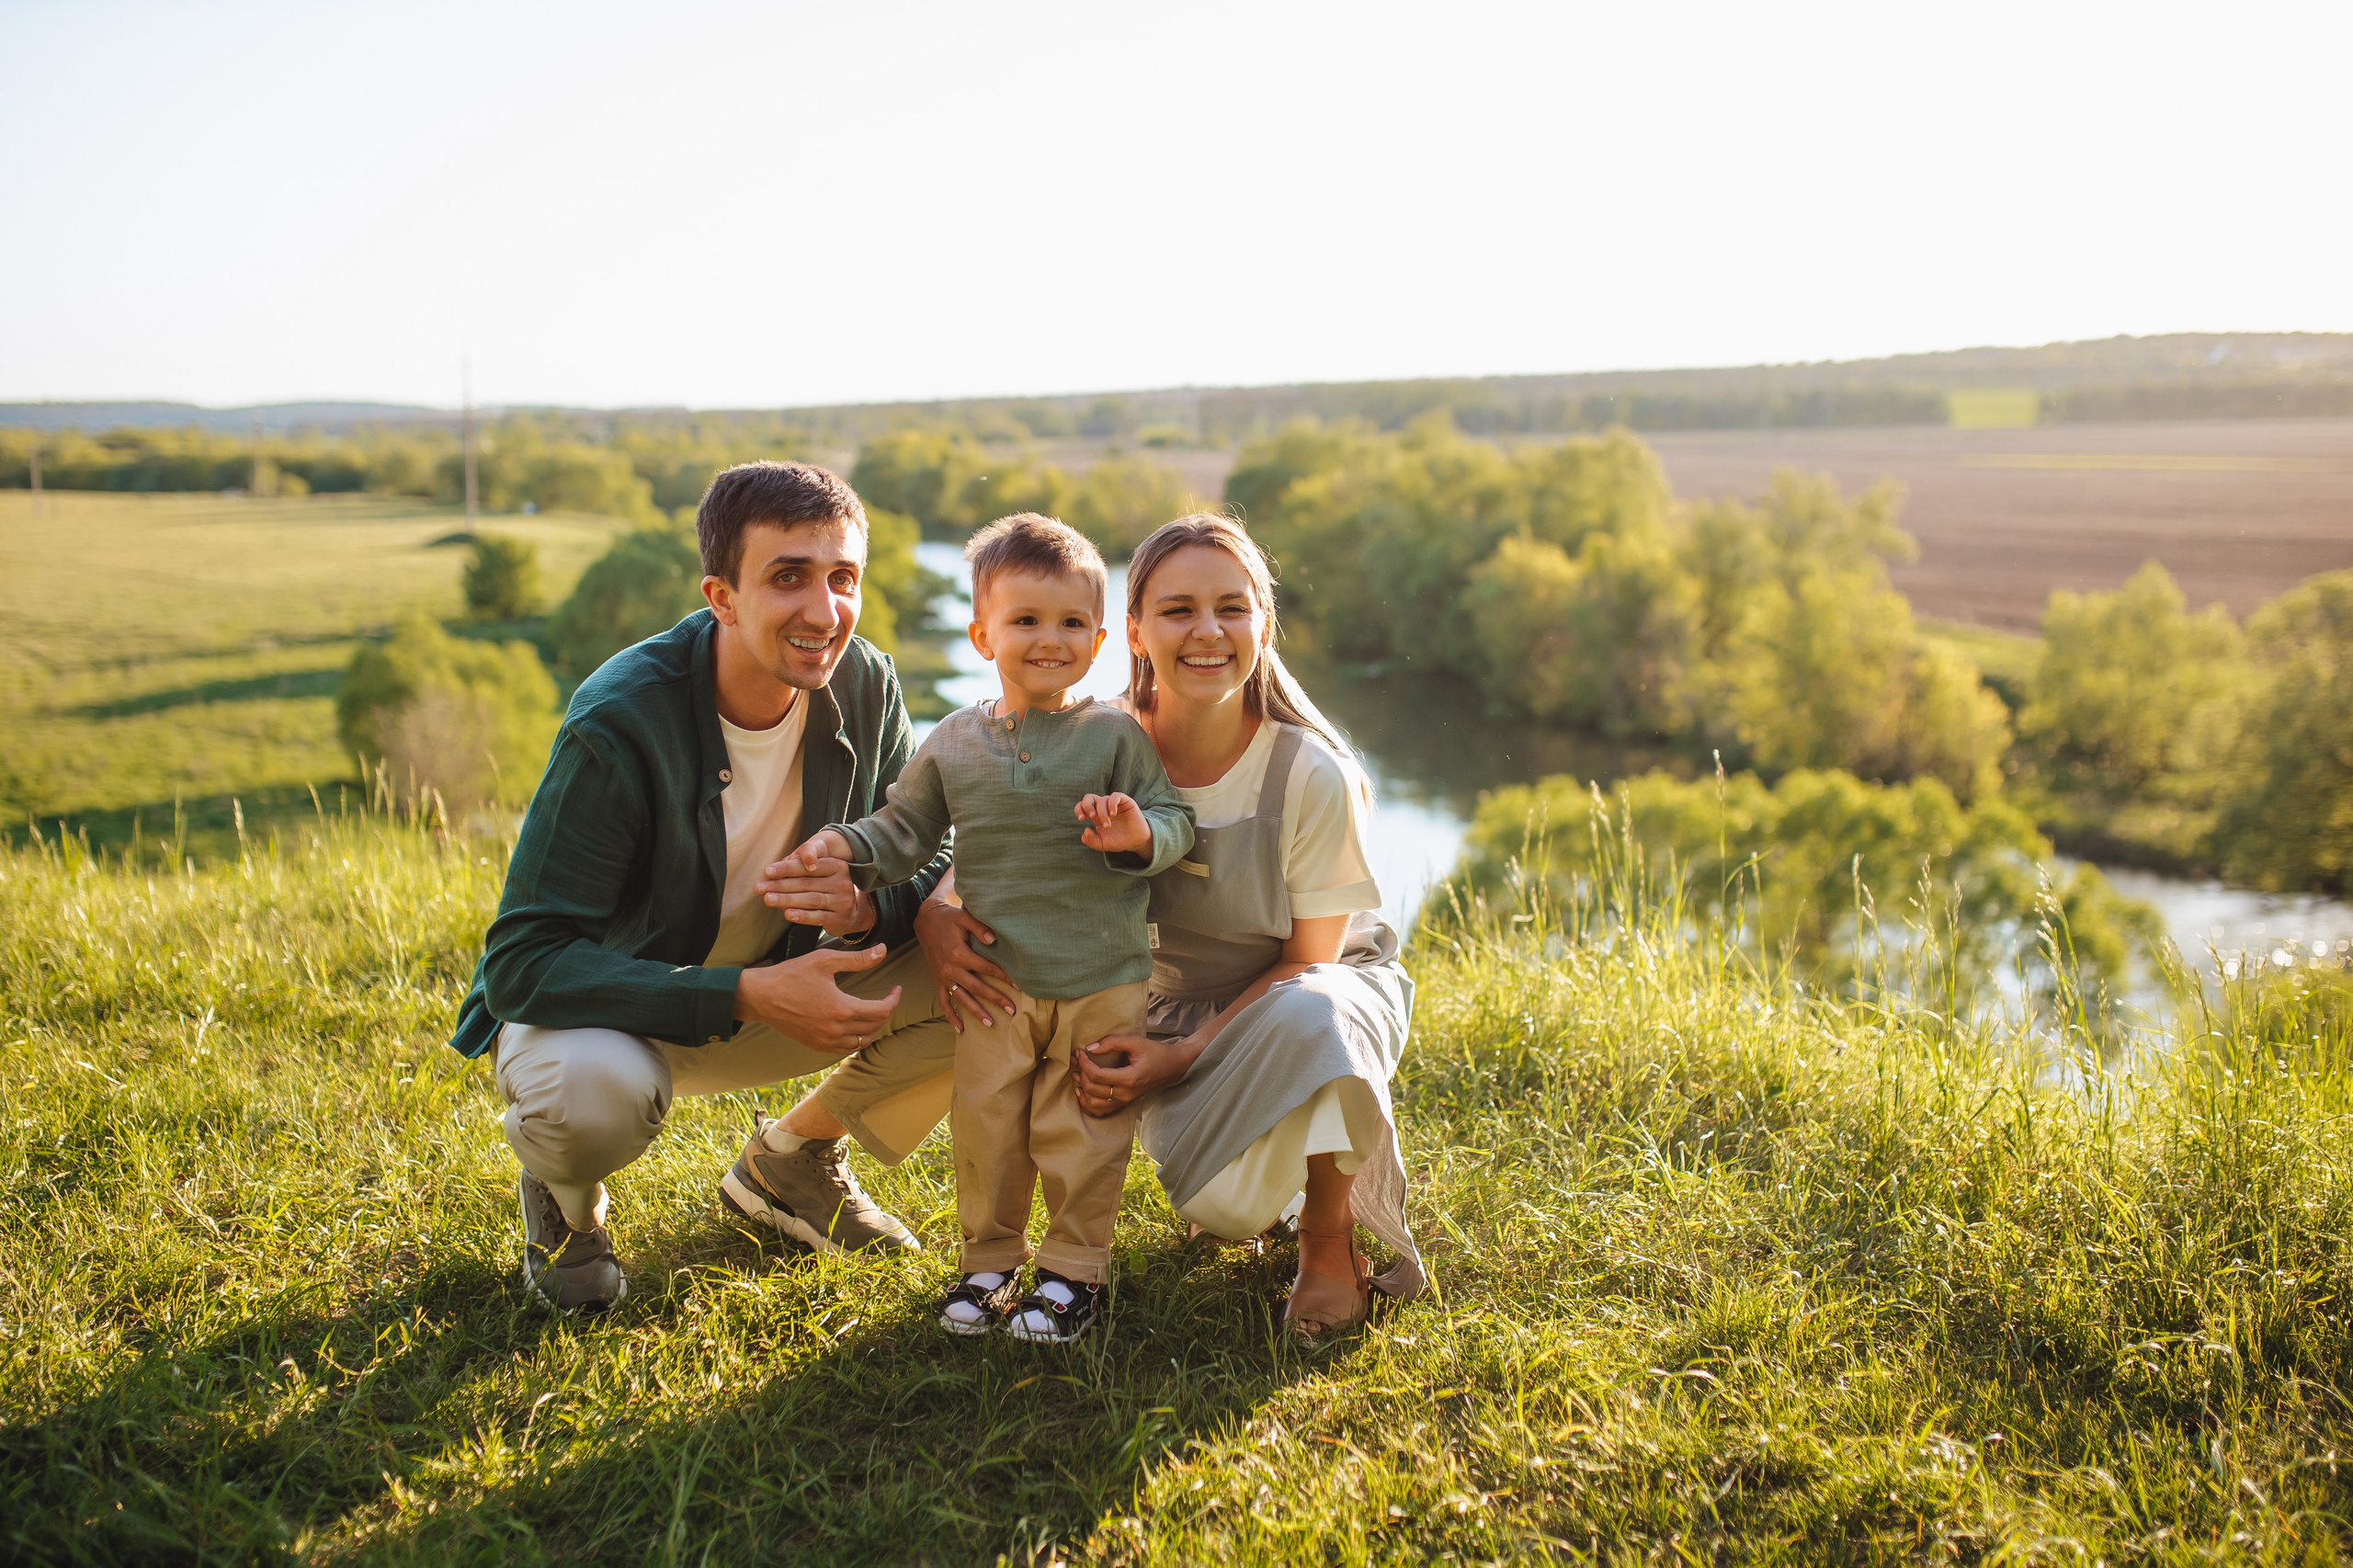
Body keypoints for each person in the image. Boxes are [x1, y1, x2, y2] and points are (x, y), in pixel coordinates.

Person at [449, 460, 962, 1312]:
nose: (824, 610)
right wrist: (745, 995)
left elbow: (932, 849)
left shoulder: (866, 682)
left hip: (782, 990)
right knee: (589, 1102)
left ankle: (792, 1159)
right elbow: (520, 965)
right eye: (788, 577)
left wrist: (877, 902)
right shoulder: (622, 717)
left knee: (1003, 949)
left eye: (843, 578)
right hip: (618, 1018)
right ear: (720, 596)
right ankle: (568, 1209)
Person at [922, 513, 1426, 1340]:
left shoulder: (1310, 773)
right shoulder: (1094, 741)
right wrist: (937, 910)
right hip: (1168, 1007)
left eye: (1233, 607)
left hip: (1309, 993)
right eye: (1179, 609)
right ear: (1135, 632)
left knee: (1316, 1016)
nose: (1208, 631)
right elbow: (1002, 848)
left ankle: (1328, 1239)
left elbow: (1309, 962)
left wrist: (1183, 1058)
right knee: (1221, 1207)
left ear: (1264, 625)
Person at [795, 515, 1194, 1342]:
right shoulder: (955, 743)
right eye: (1026, 621)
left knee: (1082, 1126)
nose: (1051, 640)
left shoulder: (1115, 735)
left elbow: (1175, 822)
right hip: (995, 984)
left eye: (1072, 624)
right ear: (982, 634)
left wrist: (1138, 833)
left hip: (1102, 980)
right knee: (988, 1128)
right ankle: (988, 1262)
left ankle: (1072, 1273)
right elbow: (903, 831)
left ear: (1101, 639)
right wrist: (846, 844)